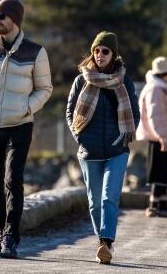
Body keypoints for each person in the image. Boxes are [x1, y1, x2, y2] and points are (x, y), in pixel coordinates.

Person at [0, 0, 53, 259]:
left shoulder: (35, 52)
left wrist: (27, 108)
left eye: (1, 15)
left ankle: (11, 237)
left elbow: (45, 89)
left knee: (12, 180)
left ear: (14, 19)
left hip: (20, 125)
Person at [66, 31, 139, 265]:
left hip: (117, 151)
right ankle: (101, 239)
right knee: (94, 200)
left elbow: (134, 115)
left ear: (113, 54)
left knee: (109, 197)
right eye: (96, 50)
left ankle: (106, 243)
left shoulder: (124, 81)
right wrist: (80, 136)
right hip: (89, 151)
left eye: (105, 51)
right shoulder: (81, 80)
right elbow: (70, 113)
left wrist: (123, 138)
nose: (99, 55)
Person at [135, 56, 167, 217]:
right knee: (159, 169)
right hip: (161, 137)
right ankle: (155, 205)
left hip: (164, 136)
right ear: (166, 72)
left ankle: (161, 204)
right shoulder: (156, 89)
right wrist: (162, 136)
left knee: (162, 169)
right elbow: (157, 115)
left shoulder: (160, 87)